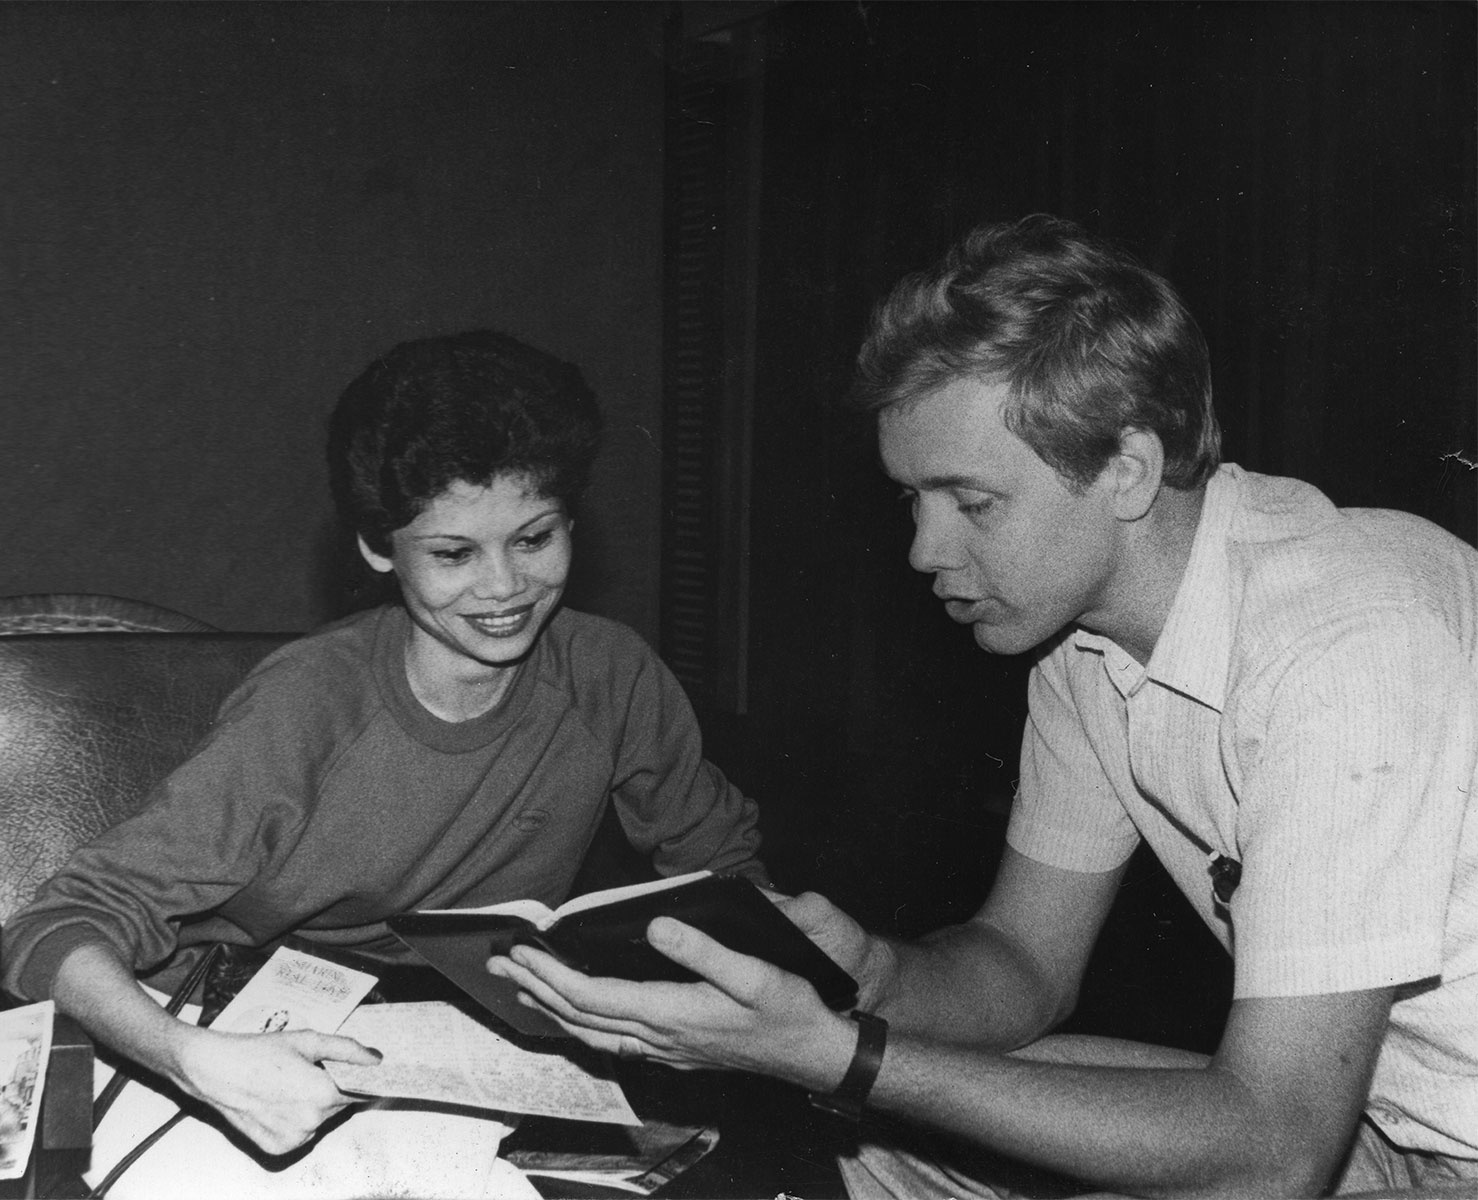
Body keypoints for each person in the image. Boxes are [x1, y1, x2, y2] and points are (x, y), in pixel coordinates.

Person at [489, 216, 1478, 1198]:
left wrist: (837, 1053)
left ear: (1126, 470)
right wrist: (864, 976)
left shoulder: (1345, 639)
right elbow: (1021, 967)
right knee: (852, 1129)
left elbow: (1274, 1152)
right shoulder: (1083, 647)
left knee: (867, 1089)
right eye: (911, 500)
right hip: (1374, 1126)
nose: (925, 550)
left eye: (972, 502)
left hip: (1352, 1138)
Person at [0, 329, 767, 1160]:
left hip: (468, 1041)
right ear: (376, 547)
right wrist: (192, 1060)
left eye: (534, 538)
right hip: (236, 1030)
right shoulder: (308, 703)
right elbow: (55, 929)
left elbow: (724, 871)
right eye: (453, 553)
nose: (504, 586)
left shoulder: (611, 673)